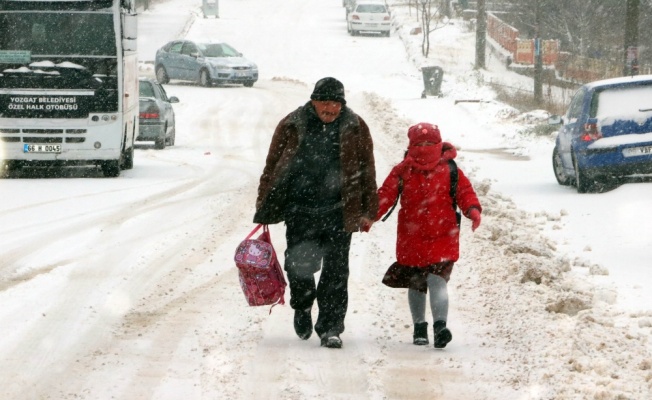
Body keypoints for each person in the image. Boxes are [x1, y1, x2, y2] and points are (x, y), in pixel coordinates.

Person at [254, 77, 378, 349]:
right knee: (300, 267)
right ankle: (302, 305)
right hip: (300, 210)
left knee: (336, 273)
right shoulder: (293, 124)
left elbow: (367, 168)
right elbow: (272, 165)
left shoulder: (355, 126)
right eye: (325, 102)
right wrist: (265, 203)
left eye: (336, 104)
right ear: (314, 101)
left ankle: (331, 328)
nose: (331, 109)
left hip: (338, 212)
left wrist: (369, 209)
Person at [375, 122, 481, 349]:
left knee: (437, 280)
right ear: (411, 145)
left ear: (439, 144)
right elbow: (386, 194)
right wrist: (370, 216)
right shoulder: (402, 170)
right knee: (416, 284)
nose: (424, 148)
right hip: (411, 237)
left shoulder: (451, 169)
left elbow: (465, 192)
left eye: (430, 143)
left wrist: (473, 209)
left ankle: (440, 327)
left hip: (442, 235)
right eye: (419, 144)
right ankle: (419, 328)